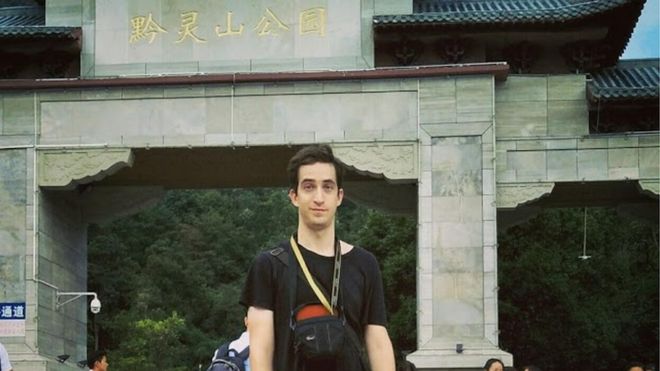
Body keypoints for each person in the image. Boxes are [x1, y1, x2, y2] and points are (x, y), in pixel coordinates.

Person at [240, 144, 396, 371]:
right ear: (294, 196)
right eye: (309, 187)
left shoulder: (365, 263)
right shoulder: (269, 265)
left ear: (339, 196)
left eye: (328, 187)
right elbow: (261, 348)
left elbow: (378, 341)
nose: (319, 198)